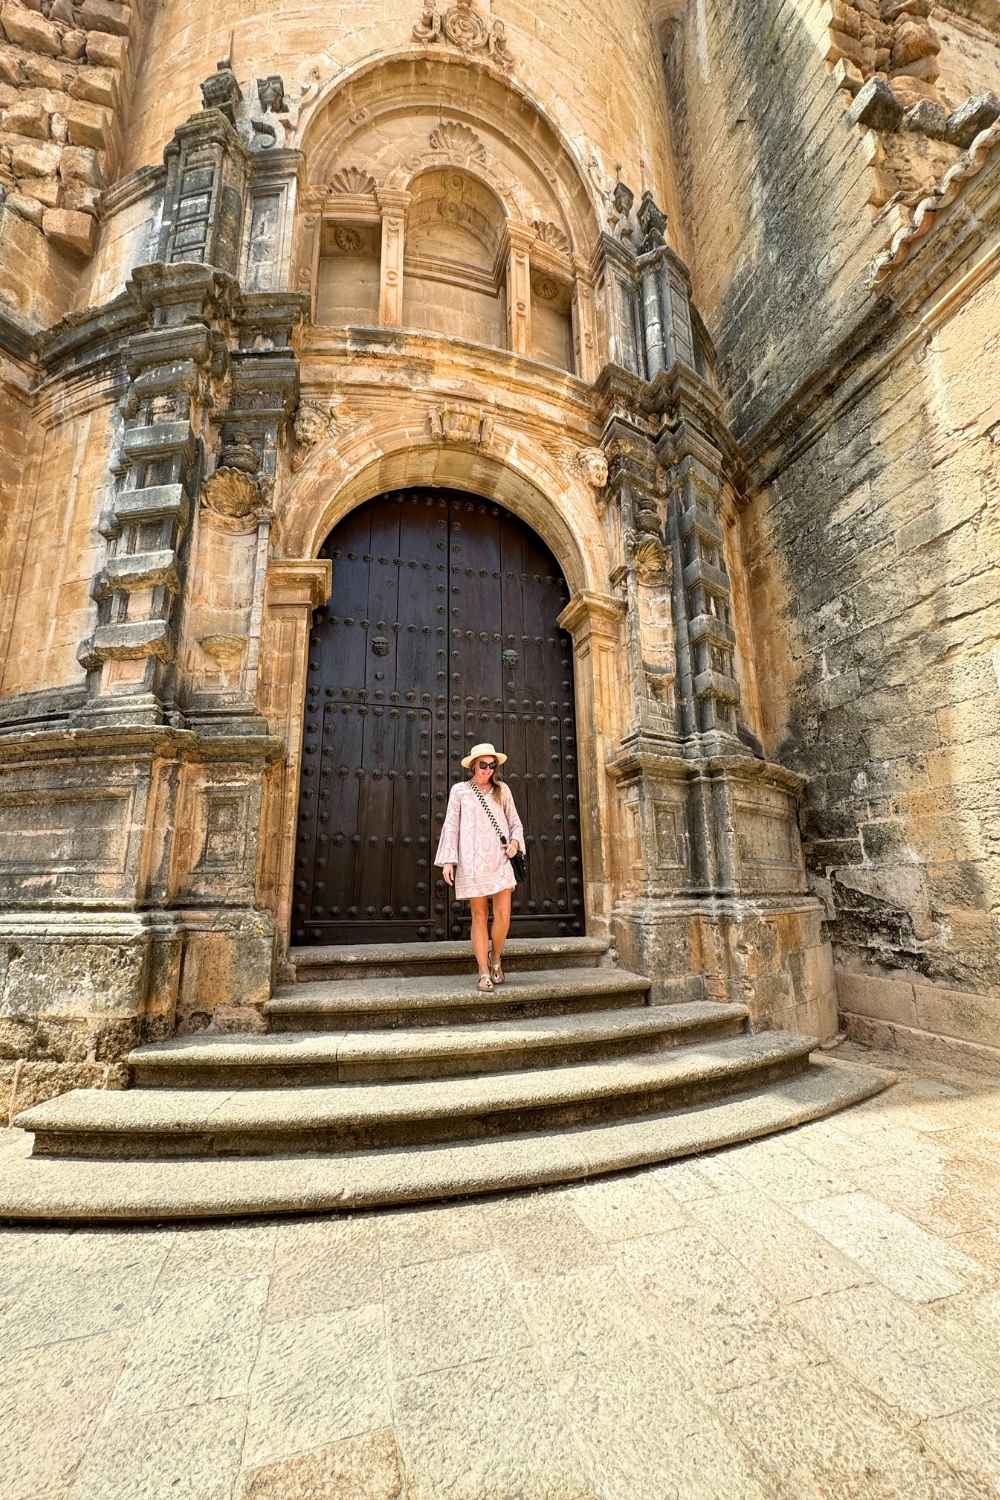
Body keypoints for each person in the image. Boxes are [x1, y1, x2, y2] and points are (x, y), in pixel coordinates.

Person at [434, 742, 525, 990]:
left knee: (504, 915)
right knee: (479, 915)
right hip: (472, 861)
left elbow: (515, 822)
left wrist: (515, 843)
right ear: (473, 765)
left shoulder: (502, 790)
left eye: (492, 765)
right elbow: (451, 825)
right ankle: (483, 971)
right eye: (483, 764)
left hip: (501, 859)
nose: (487, 769)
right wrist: (448, 860)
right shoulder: (460, 791)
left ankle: (496, 957)